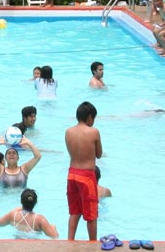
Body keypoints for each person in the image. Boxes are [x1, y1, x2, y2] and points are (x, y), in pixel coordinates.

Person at [65, 101, 102, 241]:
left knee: (75, 212)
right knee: (91, 215)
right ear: (90, 117)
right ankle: (92, 244)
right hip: (86, 177)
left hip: (72, 174)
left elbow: (71, 152)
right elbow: (98, 154)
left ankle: (70, 242)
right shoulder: (93, 132)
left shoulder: (68, 132)